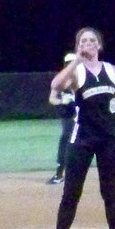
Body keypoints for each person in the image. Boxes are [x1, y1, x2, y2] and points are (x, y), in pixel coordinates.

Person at [39, 28, 115, 229]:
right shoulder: (77, 72)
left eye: (92, 40)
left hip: (110, 139)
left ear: (99, 45)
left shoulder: (112, 70)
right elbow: (56, 84)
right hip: (82, 140)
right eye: (83, 41)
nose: (89, 43)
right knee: (71, 193)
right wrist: (76, 60)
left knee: (111, 193)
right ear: (78, 46)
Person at [46, 53, 78, 184]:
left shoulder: (81, 78)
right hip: (68, 116)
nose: (70, 65)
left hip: (82, 115)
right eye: (68, 63)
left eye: (72, 62)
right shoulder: (60, 80)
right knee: (65, 140)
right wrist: (62, 101)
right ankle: (59, 174)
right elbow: (52, 99)